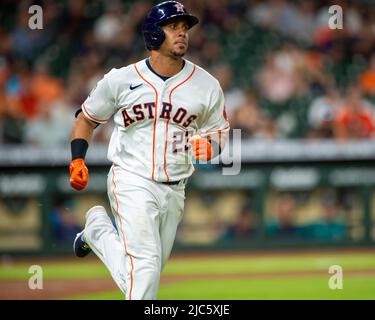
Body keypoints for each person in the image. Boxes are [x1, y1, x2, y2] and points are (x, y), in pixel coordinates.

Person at [69, 1, 229, 300]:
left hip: (175, 188)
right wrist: (77, 159)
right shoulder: (120, 79)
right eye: (173, 27)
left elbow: (221, 134)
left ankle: (98, 231)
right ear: (154, 34)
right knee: (145, 268)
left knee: (145, 272)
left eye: (184, 28)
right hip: (131, 179)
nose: (182, 33)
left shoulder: (207, 85)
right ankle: (99, 232)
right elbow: (85, 120)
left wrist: (211, 147)